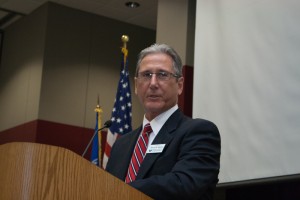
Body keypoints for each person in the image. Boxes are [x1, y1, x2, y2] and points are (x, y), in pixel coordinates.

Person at [106, 44, 221, 200]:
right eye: (146, 75)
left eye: (162, 75)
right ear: (136, 85)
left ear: (179, 85)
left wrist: (119, 191)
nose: (153, 83)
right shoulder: (121, 145)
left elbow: (184, 184)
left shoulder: (199, 131)